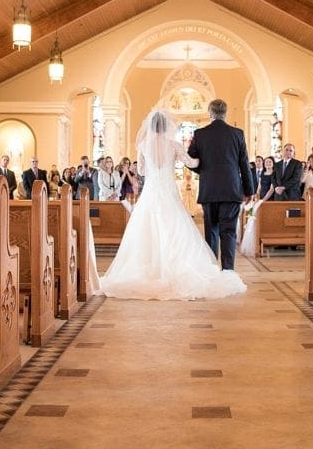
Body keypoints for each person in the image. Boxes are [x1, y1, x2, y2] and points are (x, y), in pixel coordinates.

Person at [100, 108, 246, 300]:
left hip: (152, 192)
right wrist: (209, 157)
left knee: (147, 229)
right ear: (167, 126)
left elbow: (142, 172)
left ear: (151, 126)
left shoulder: (143, 144)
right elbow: (192, 163)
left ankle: (149, 269)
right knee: (175, 228)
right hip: (168, 192)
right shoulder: (174, 145)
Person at [187, 98, 255, 271]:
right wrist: (249, 190)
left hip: (209, 190)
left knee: (211, 232)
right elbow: (244, 164)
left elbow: (190, 161)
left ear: (210, 113)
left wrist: (204, 171)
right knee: (229, 232)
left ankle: (211, 270)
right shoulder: (237, 133)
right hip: (231, 189)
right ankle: (228, 271)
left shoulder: (200, 134)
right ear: (225, 114)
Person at [239, 186, 273, 257]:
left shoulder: (273, 176)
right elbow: (258, 190)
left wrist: (262, 200)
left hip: (268, 200)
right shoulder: (261, 176)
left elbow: (271, 189)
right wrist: (256, 198)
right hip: (261, 199)